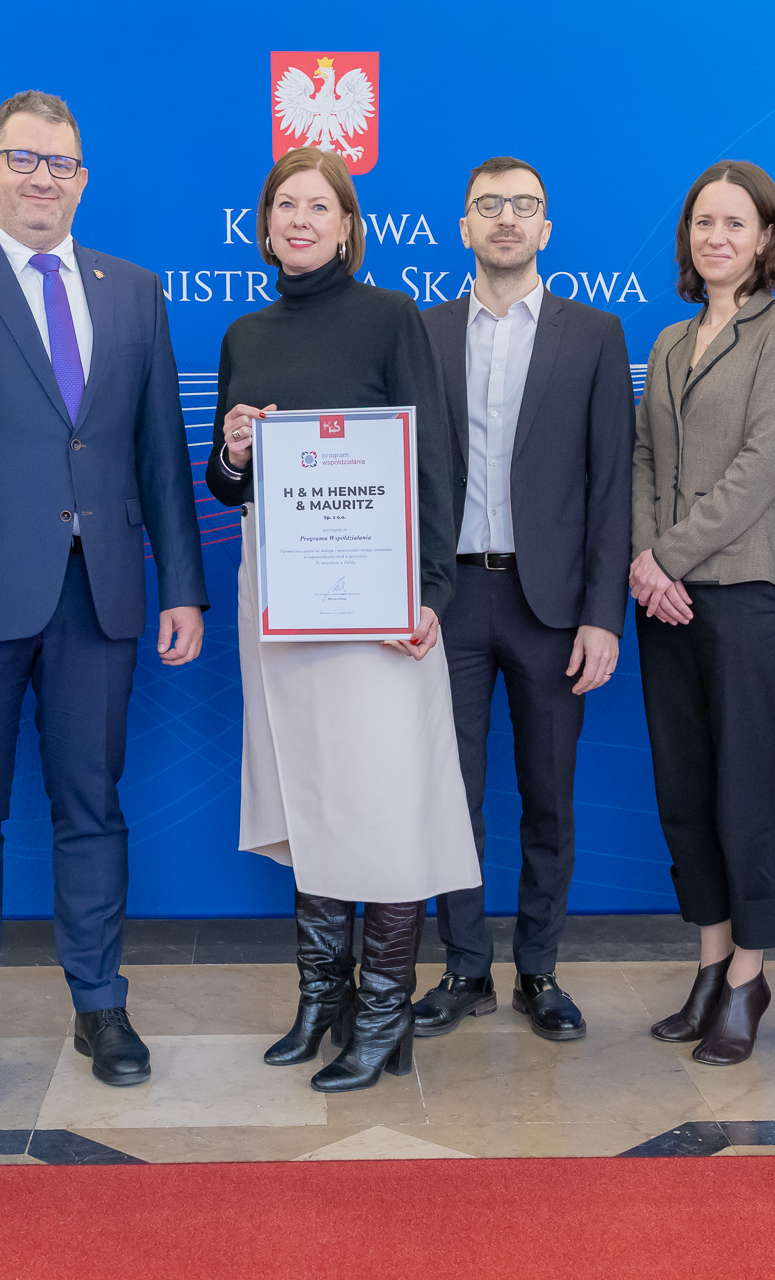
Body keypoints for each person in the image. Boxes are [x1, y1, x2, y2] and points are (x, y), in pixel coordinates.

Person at [0, 91, 208, 1108]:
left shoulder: (133, 290)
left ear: (83, 180)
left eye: (59, 163)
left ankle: (101, 1002)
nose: (41, 178)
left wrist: (183, 586)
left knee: (93, 804)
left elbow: (158, 452)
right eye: (23, 159)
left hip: (99, 594)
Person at [206, 145, 479, 1093]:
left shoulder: (391, 317)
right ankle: (322, 999)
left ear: (348, 226)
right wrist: (235, 449)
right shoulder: (245, 334)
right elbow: (227, 482)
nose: (301, 220)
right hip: (282, 607)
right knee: (312, 797)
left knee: (386, 808)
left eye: (319, 206)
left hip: (381, 609)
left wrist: (431, 592)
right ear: (264, 224)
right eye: (286, 205)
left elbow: (434, 462)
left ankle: (384, 1013)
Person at [412, 157, 634, 1042]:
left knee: (550, 798)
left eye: (525, 206)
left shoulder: (595, 334)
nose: (507, 219)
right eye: (489, 205)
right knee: (451, 798)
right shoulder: (422, 333)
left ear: (546, 227)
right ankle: (464, 966)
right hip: (450, 598)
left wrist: (603, 616)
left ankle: (539, 967)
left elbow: (611, 487)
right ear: (464, 226)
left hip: (553, 607)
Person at [631, 160, 775, 1066]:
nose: (717, 238)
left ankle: (750, 974)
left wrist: (664, 558)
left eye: (735, 224)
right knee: (686, 789)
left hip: (745, 591)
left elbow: (762, 466)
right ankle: (709, 962)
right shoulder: (670, 340)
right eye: (704, 222)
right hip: (663, 603)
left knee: (747, 791)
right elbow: (641, 460)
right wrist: (645, 565)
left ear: (765, 238)